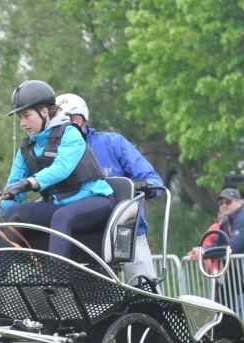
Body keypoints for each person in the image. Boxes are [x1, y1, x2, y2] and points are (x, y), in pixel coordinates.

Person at [0, 80, 114, 259]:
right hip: (59, 207)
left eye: (27, 115)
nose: (23, 123)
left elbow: (62, 168)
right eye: (20, 117)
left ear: (44, 112)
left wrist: (30, 182)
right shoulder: (26, 150)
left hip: (95, 201)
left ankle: (56, 280)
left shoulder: (71, 133)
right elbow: (13, 190)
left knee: (62, 216)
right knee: (14, 213)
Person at [56, 93, 165, 287]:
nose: (55, 130)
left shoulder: (112, 143)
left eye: (60, 124)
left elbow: (152, 180)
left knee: (146, 290)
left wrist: (146, 187)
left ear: (78, 121)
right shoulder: (56, 154)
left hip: (126, 233)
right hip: (82, 236)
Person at [187, 188, 244, 336]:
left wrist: (204, 253)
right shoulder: (225, 221)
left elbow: (231, 248)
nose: (223, 206)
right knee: (228, 308)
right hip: (236, 276)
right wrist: (201, 251)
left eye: (227, 202)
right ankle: (235, 342)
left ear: (238, 202)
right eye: (221, 203)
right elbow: (217, 243)